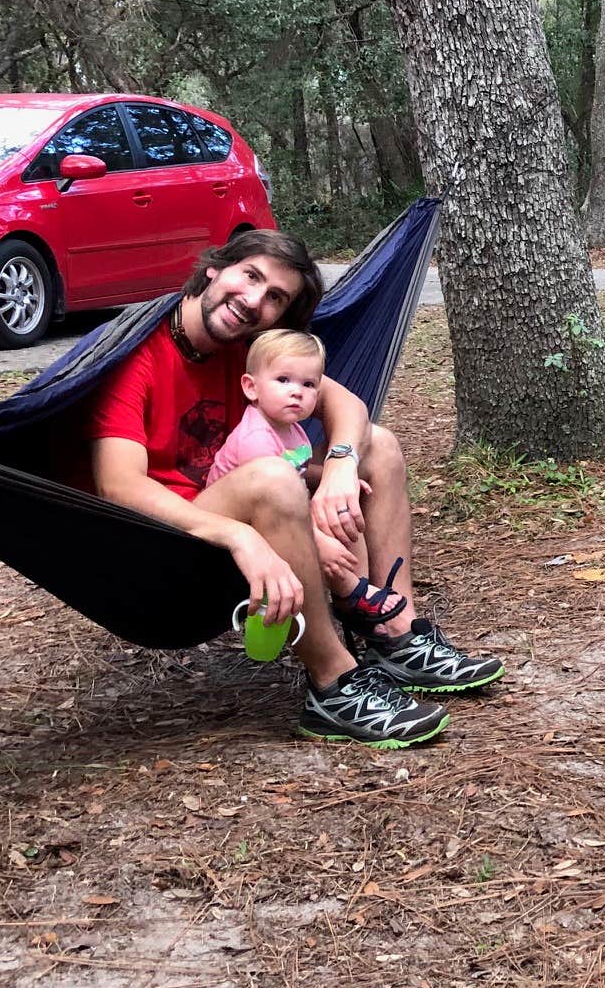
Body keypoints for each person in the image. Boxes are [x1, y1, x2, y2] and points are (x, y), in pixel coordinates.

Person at [82, 230, 502, 747]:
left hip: (258, 504)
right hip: (176, 541)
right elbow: (118, 486)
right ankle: (334, 685)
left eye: (275, 296)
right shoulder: (135, 353)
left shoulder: (250, 350)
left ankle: (396, 635)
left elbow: (346, 407)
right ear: (215, 269)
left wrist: (342, 466)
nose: (254, 301)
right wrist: (241, 537)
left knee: (379, 445)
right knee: (276, 478)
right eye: (250, 276)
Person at [208, 329, 408, 629]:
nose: (297, 391)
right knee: (326, 533)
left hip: (280, 510)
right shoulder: (255, 437)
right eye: (283, 380)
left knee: (342, 518)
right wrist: (317, 541)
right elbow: (273, 494)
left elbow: (297, 469)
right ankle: (354, 592)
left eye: (309, 384)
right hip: (239, 528)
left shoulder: (290, 428)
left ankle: (360, 596)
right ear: (251, 387)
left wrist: (339, 476)